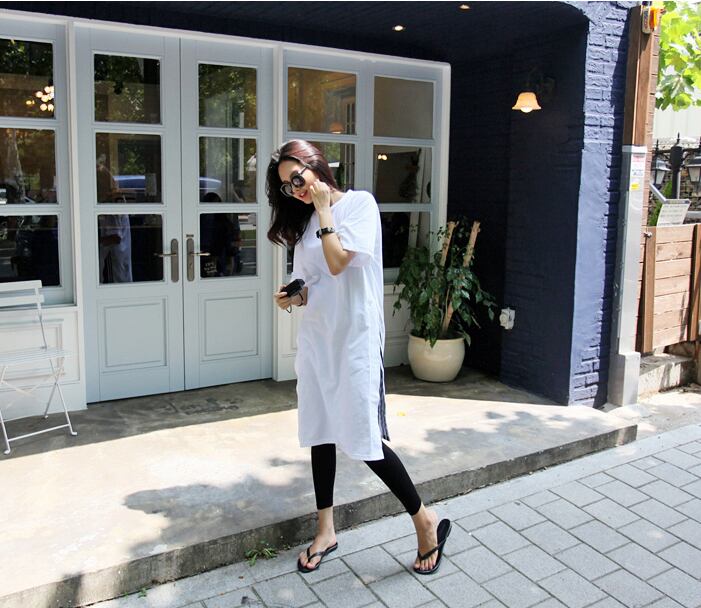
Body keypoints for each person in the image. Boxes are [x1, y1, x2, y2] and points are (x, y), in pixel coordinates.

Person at [266, 140, 451, 575]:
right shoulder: (307, 223)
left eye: (297, 178)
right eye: (287, 186)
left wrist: (325, 211)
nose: (295, 190)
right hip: (318, 341)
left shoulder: (359, 206)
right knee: (320, 432)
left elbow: (338, 263)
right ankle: (325, 530)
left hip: (354, 342)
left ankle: (425, 520)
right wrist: (293, 296)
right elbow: (312, 283)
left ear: (316, 166)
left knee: (364, 437)